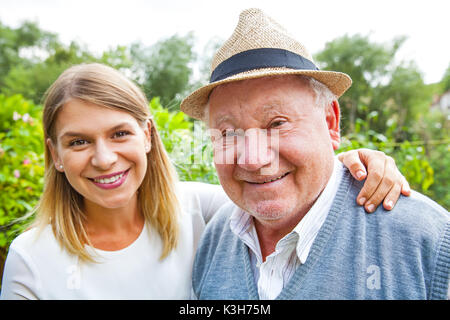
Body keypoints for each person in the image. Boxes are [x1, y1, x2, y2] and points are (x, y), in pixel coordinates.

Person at [0, 62, 407, 300]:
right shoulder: (32, 260)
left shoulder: (203, 212)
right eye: (79, 141)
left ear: (147, 135)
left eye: (119, 133)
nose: (104, 158)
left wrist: (353, 166)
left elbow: (283, 194)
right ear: (55, 155)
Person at [182, 8, 450, 300]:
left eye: (277, 123)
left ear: (331, 121)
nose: (253, 159)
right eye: (228, 134)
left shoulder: (429, 243)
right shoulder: (213, 239)